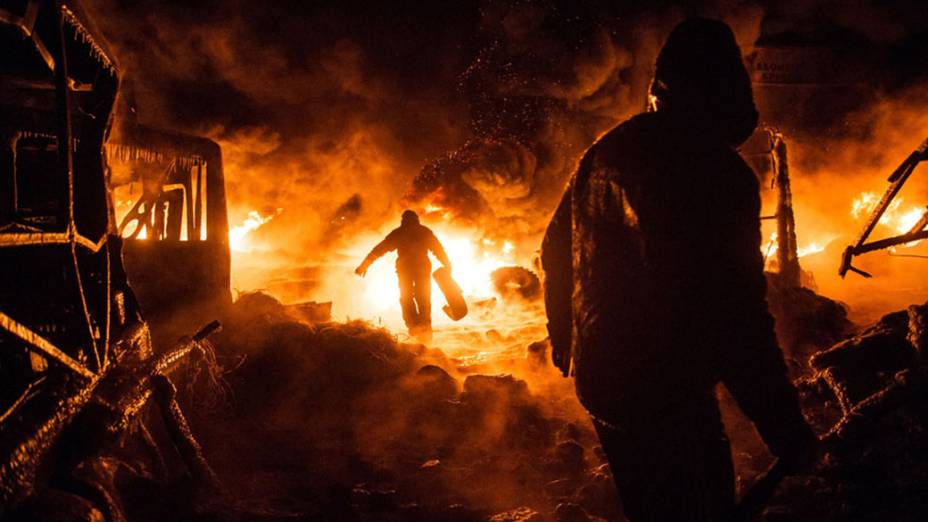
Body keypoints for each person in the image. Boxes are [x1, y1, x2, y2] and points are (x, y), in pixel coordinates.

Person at [541, 18, 817, 521]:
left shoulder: (606, 149)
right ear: (728, 87)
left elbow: (554, 246)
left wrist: (566, 332)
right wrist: (785, 429)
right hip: (665, 391)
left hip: (603, 380)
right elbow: (736, 319)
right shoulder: (716, 173)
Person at [356, 210, 451, 338]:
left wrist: (364, 265)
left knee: (408, 299)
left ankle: (416, 330)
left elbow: (380, 249)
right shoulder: (423, 231)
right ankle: (423, 331)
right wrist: (447, 264)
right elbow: (438, 249)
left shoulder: (400, 233)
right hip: (419, 269)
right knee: (422, 299)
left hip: (408, 269)